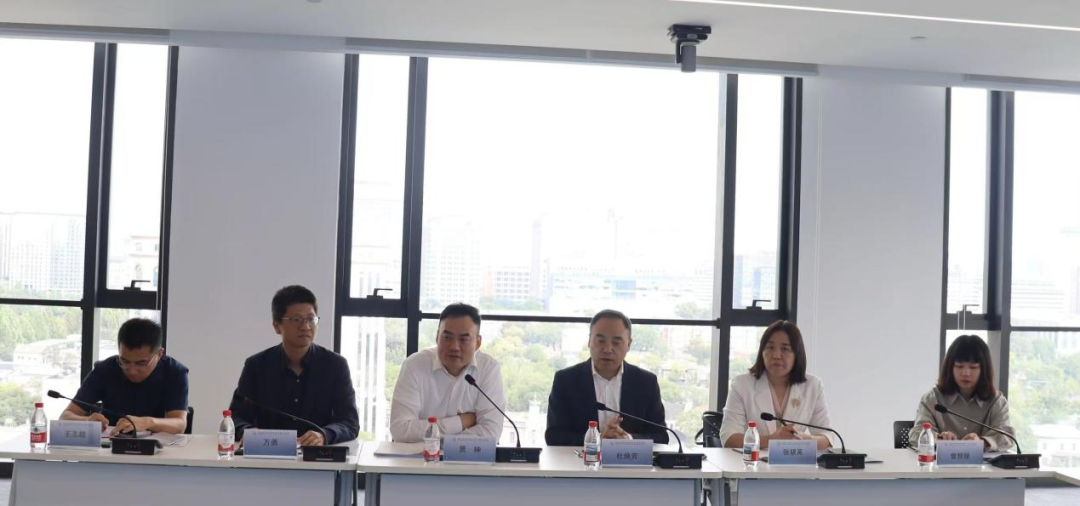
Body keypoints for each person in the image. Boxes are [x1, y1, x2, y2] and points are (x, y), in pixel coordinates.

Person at [228, 285, 358, 446]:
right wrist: (247, 431)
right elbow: (235, 418)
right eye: (296, 319)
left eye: (311, 319)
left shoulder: (335, 366)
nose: (305, 326)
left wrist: (324, 435)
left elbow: (350, 422)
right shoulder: (256, 366)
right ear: (277, 325)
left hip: (316, 456)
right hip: (268, 453)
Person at [545, 309, 668, 446]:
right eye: (600, 341)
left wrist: (628, 440)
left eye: (616, 342)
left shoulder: (646, 383)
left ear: (629, 344)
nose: (608, 349)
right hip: (580, 459)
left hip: (630, 459)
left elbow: (661, 436)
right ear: (589, 341)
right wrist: (598, 440)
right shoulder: (565, 380)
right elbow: (553, 436)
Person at [389, 303, 505, 443]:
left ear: (478, 343)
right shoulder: (415, 365)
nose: (454, 346)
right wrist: (461, 422)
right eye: (447, 337)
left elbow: (491, 433)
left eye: (464, 339)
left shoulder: (488, 368)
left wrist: (439, 442)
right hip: (418, 457)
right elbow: (400, 429)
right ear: (437, 337)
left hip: (465, 458)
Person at [61, 318, 189, 435]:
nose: (132, 371)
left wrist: (148, 422)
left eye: (141, 363)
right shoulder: (105, 370)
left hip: (158, 448)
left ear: (159, 354)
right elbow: (65, 416)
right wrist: (87, 421)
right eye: (125, 361)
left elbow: (179, 424)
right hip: (110, 444)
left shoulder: (175, 372)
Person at [719, 320, 833, 450]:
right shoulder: (742, 385)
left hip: (793, 460)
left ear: (797, 354)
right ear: (762, 352)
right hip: (751, 460)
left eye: (785, 349)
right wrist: (770, 440)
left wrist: (805, 440)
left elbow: (827, 437)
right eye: (770, 348)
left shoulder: (813, 386)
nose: (776, 355)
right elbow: (729, 438)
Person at [909, 335, 1014, 451]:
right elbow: (915, 435)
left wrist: (982, 442)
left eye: (973, 367)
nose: (965, 373)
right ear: (950, 368)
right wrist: (938, 438)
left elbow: (1007, 437)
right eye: (959, 366)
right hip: (940, 462)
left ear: (984, 370)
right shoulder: (932, 399)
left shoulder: (996, 401)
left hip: (983, 463)